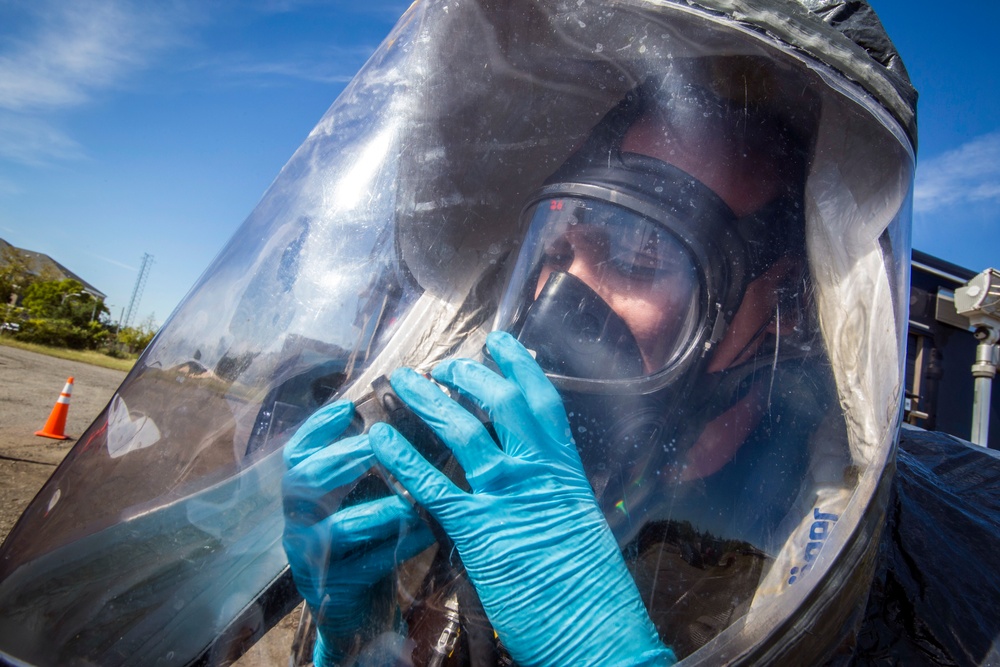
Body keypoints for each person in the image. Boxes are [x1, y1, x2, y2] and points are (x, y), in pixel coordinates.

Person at [282, 71, 848, 666]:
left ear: (784, 308)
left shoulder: (809, 549)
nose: (557, 300)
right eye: (554, 253)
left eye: (640, 256)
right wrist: (359, 641)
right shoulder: (472, 474)